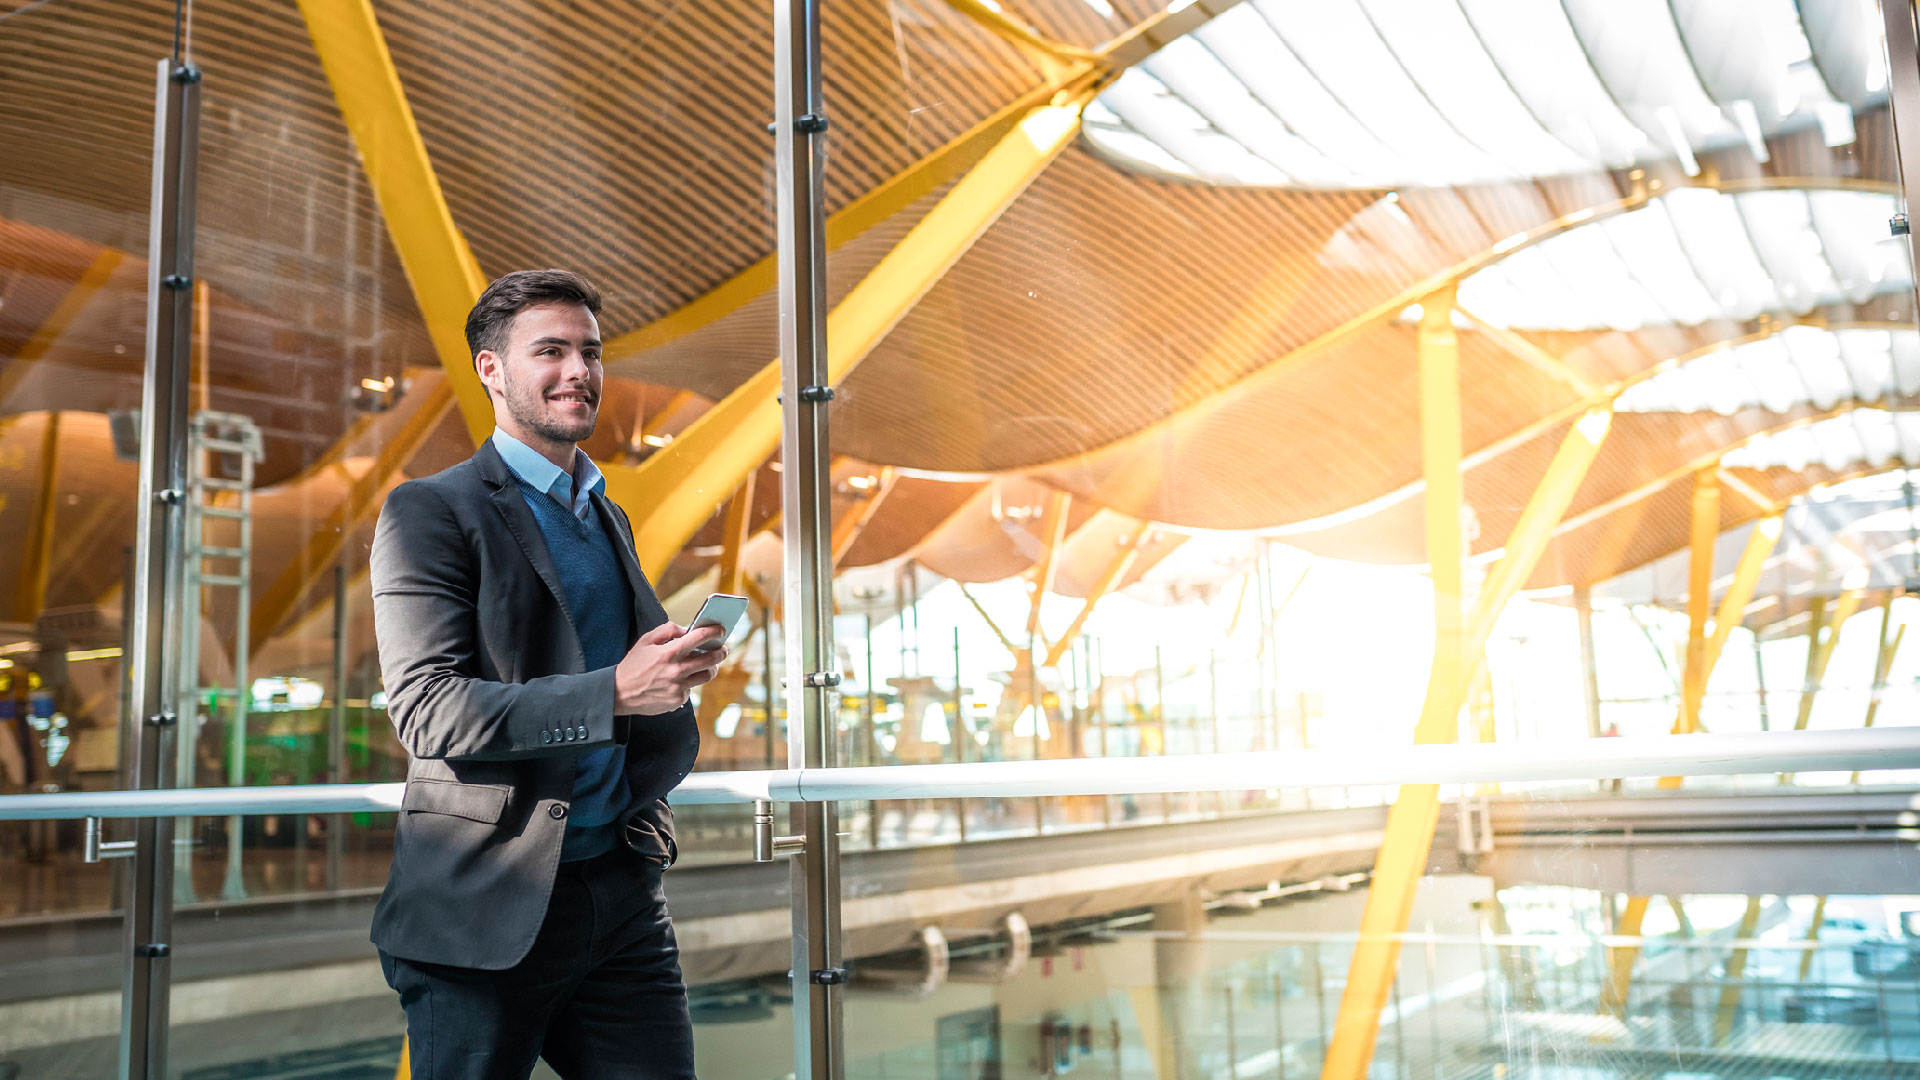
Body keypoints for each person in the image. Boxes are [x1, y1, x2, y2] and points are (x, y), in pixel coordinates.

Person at [368, 269, 726, 1079]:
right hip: (485, 908)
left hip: (620, 892)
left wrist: (664, 671)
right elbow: (428, 711)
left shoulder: (604, 508)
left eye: (591, 352)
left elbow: (605, 666)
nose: (580, 371)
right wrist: (614, 692)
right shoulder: (429, 511)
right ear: (492, 370)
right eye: (552, 351)